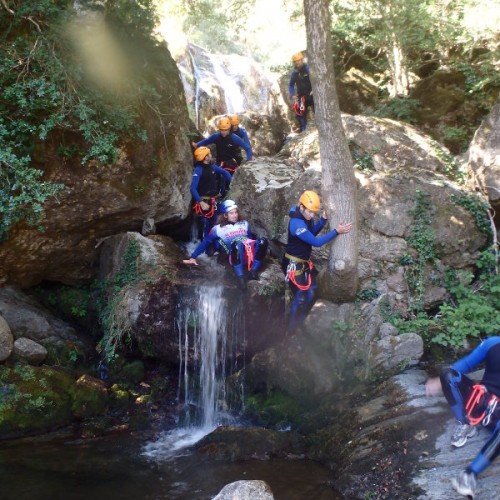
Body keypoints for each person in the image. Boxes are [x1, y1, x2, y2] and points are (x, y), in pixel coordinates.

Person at [425, 336, 500, 499]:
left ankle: (469, 475)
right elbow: (466, 364)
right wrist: (438, 382)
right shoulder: (492, 343)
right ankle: (465, 423)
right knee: (448, 375)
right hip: (480, 400)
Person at [281, 190, 353, 334]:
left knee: (313, 291)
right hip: (293, 264)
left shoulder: (305, 217)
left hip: (303, 262)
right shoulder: (296, 223)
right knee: (301, 295)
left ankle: (300, 322)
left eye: (314, 212)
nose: (312, 215)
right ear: (301, 207)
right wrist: (336, 231)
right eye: (310, 212)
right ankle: (290, 330)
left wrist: (323, 220)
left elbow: (311, 233)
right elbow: (316, 242)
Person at [183, 199, 268, 291]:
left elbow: (250, 239)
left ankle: (254, 271)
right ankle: (241, 279)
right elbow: (206, 243)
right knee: (236, 244)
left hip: (248, 254)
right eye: (231, 213)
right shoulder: (217, 229)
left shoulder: (245, 224)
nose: (235, 215)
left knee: (263, 241)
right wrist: (193, 257)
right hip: (234, 255)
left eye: (236, 212)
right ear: (225, 215)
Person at [191, 117, 254, 182]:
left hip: (231, 162)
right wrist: (197, 145)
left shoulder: (234, 138)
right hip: (219, 161)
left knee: (226, 178)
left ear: (229, 129)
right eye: (221, 130)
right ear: (219, 129)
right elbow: (206, 141)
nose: (223, 132)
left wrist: (249, 159)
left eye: (225, 130)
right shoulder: (216, 136)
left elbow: (247, 148)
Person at [190, 146, 232, 241]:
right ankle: (203, 245)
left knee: (216, 223)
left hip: (214, 200)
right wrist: (201, 202)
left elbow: (225, 173)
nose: (211, 155)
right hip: (205, 202)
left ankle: (213, 245)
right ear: (205, 157)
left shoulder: (211, 166)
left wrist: (232, 183)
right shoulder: (198, 170)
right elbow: (193, 188)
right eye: (209, 154)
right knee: (206, 224)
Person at [288, 52, 314, 132]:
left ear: (302, 60)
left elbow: (315, 79)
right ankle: (304, 130)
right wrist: (292, 95)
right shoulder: (294, 73)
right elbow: (291, 85)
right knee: (301, 114)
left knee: (316, 110)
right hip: (302, 96)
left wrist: (314, 89)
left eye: (299, 61)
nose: (297, 63)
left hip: (311, 94)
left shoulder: (308, 68)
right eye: (295, 61)